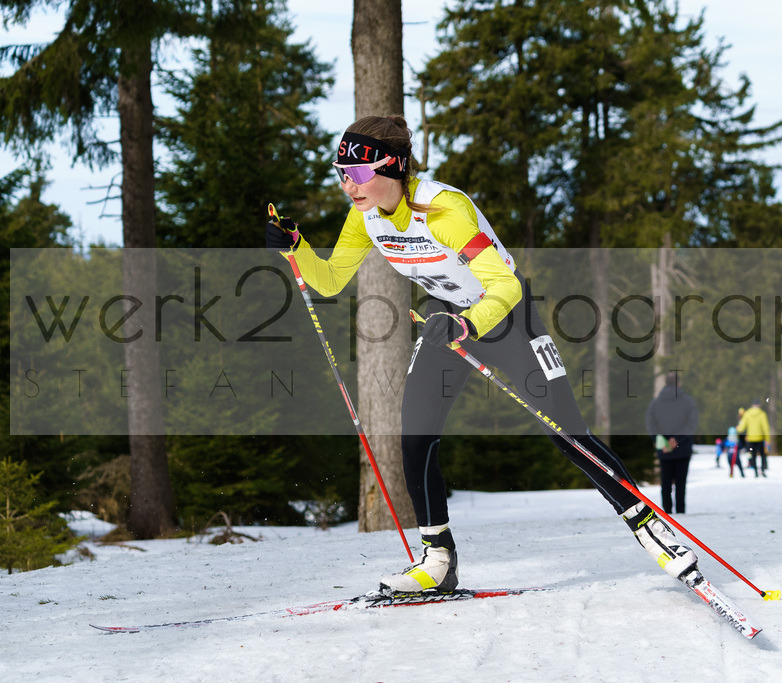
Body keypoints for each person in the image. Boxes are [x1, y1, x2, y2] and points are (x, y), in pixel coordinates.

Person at [265, 115, 698, 594]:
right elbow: (328, 280)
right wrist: (297, 247)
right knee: (415, 435)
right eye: (341, 174)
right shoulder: (364, 216)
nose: (350, 186)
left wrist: (471, 323)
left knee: (566, 431)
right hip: (445, 317)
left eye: (361, 174)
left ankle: (651, 527)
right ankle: (438, 560)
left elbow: (506, 285)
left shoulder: (445, 210)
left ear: (395, 167)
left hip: (505, 315)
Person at [645, 374, 699, 514]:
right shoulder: (688, 402)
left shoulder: (655, 403)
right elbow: (692, 424)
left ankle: (667, 511)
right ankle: (680, 510)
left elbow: (651, 425)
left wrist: (662, 441)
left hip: (664, 448)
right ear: (679, 383)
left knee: (666, 482)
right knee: (681, 483)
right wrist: (676, 439)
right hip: (683, 446)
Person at [737, 398, 770, 477]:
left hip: (751, 439)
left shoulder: (747, 414)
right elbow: (766, 428)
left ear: (752, 405)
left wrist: (737, 429)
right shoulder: (762, 414)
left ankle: (755, 471)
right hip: (760, 438)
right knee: (762, 455)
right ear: (759, 405)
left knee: (753, 455)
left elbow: (742, 427)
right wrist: (767, 439)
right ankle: (762, 470)